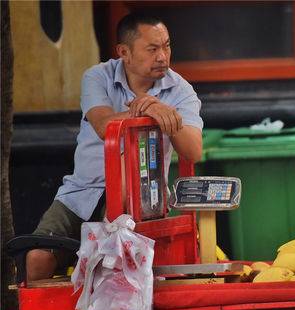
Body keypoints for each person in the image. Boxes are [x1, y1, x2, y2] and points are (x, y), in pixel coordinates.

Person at [25, 13, 203, 281]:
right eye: (152, 49)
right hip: (81, 192)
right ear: (124, 52)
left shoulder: (181, 91)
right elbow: (103, 124)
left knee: (110, 264)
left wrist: (165, 114)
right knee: (38, 257)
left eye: (166, 46)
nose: (163, 56)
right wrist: (151, 111)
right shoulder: (98, 77)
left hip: (141, 200)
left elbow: (193, 151)